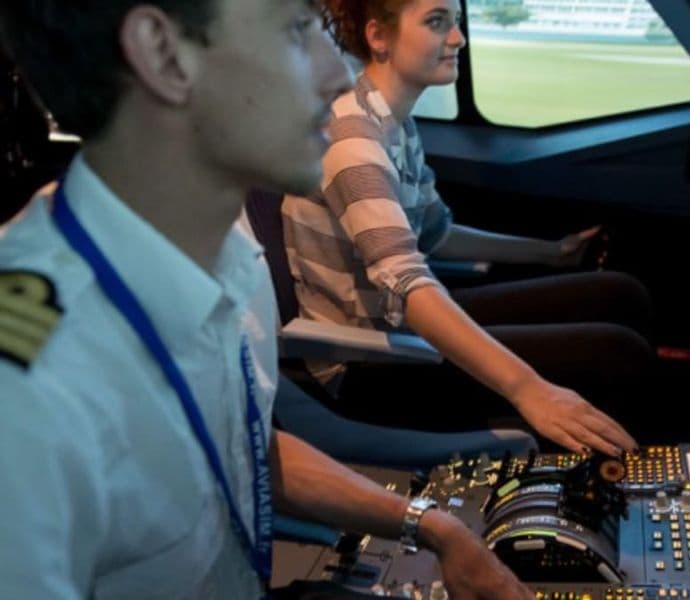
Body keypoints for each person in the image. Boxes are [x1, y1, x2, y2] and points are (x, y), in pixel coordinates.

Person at [0, 1, 534, 598]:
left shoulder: (234, 253)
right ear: (164, 55)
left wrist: (430, 526)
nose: (337, 74)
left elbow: (241, 444)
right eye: (296, 30)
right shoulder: (27, 385)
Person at [280, 0, 650, 456]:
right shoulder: (354, 139)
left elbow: (437, 233)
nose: (458, 38)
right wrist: (529, 390)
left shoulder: (392, 122)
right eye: (438, 22)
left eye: (455, 22)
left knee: (617, 292)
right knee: (615, 353)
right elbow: (405, 280)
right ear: (379, 38)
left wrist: (550, 252)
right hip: (366, 360)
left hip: (397, 328)